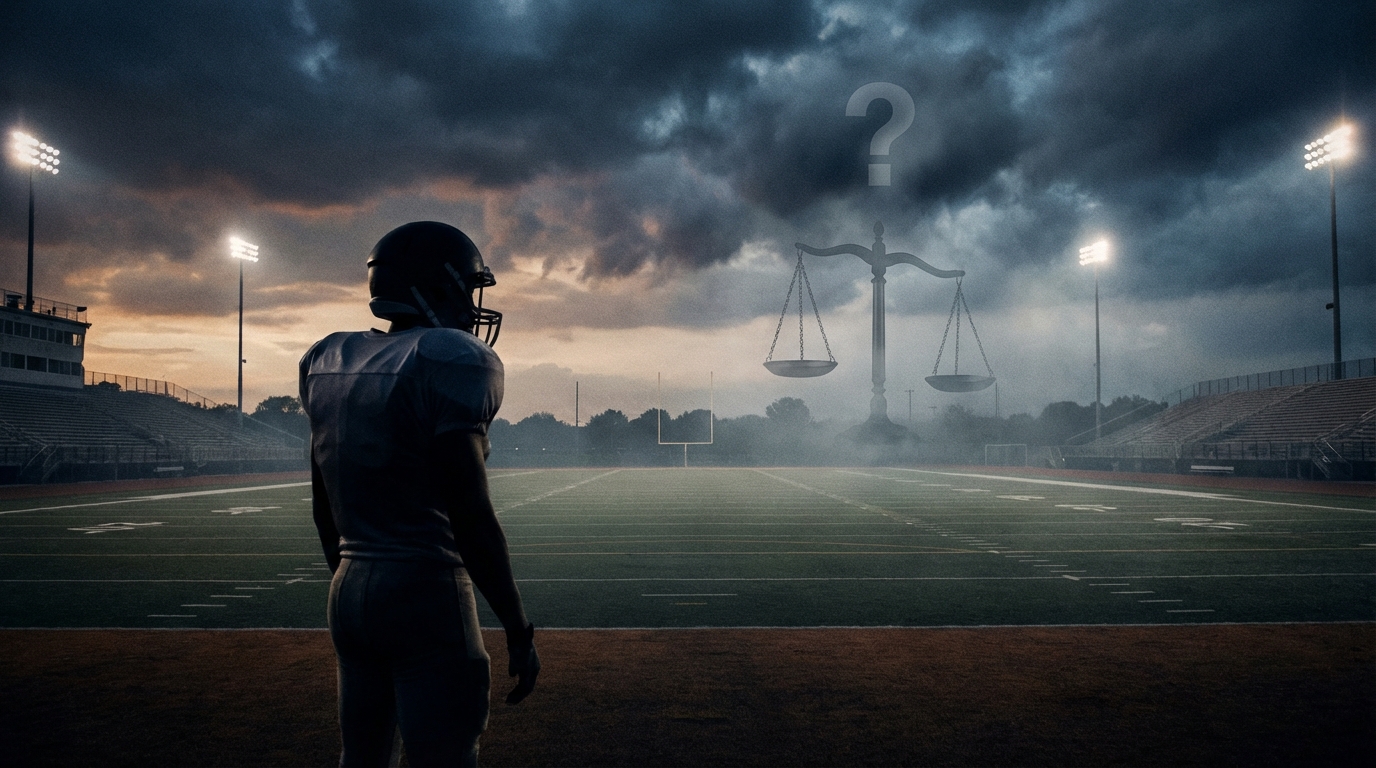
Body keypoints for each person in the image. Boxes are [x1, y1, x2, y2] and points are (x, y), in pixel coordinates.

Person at [300, 221, 539, 767]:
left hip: (350, 586)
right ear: (440, 287)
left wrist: (355, 580)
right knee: (444, 757)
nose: (473, 306)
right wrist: (517, 627)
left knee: (361, 756)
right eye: (469, 290)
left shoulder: (330, 358)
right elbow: (470, 514)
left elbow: (323, 508)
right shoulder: (449, 358)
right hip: (426, 586)